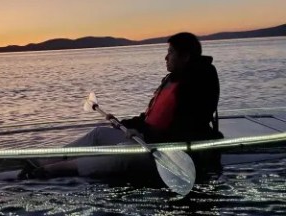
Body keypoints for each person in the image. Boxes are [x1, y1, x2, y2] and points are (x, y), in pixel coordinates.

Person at [19, 32, 223, 180]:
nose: (165, 57)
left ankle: (50, 171)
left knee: (119, 153)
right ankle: (47, 160)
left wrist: (143, 134)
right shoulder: (172, 79)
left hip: (166, 152)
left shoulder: (199, 82)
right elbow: (149, 118)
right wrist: (125, 123)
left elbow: (187, 128)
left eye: (170, 52)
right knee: (99, 133)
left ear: (185, 57)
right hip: (145, 140)